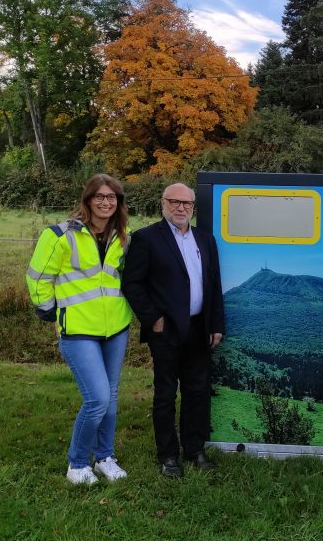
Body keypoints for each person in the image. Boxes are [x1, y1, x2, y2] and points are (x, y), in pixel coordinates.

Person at [25, 173, 132, 485]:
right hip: (78, 330)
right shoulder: (60, 235)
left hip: (116, 327)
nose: (105, 202)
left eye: (111, 197)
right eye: (99, 196)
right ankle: (77, 464)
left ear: (119, 202)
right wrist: (51, 312)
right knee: (97, 398)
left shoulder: (123, 236)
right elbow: (37, 277)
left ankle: (104, 457)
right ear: (87, 200)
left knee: (111, 397)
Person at [121, 183, 225, 479]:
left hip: (199, 328)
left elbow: (214, 285)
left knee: (197, 391)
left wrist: (216, 324)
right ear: (162, 203)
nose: (181, 208)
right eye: (174, 202)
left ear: (194, 208)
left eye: (187, 203)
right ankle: (168, 455)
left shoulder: (205, 240)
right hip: (165, 329)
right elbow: (132, 283)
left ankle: (195, 449)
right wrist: (153, 318)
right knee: (166, 393)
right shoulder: (146, 238)